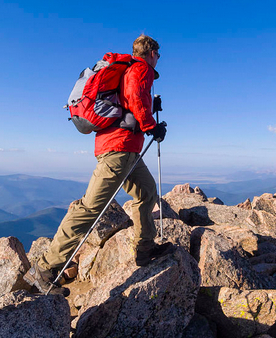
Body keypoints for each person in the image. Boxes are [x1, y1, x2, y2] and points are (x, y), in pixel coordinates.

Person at [24, 34, 170, 294]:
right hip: (118, 150)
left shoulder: (129, 70)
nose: (158, 59)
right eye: (158, 54)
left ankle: (145, 248)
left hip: (127, 151)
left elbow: (131, 100)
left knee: (147, 192)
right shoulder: (141, 68)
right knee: (90, 207)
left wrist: (150, 106)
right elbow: (135, 97)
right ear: (151, 53)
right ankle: (44, 269)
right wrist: (152, 126)